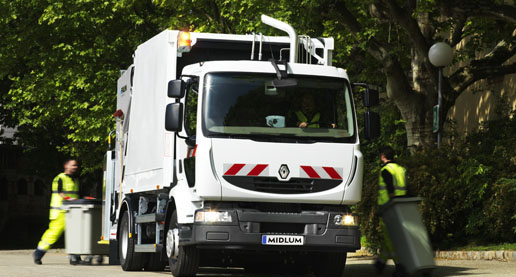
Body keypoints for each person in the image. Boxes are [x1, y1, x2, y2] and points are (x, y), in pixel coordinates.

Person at [33, 159, 81, 265]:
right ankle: (38, 254)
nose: (75, 167)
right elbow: (60, 193)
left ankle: (75, 257)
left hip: (73, 211)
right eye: (73, 165)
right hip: (60, 211)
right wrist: (71, 199)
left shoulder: (76, 179)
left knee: (75, 234)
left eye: (76, 165)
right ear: (66, 166)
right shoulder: (60, 178)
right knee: (53, 234)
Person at [375, 146, 407, 277]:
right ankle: (380, 264)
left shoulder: (385, 170)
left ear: (383, 156)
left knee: (390, 239)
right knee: (389, 238)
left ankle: (400, 266)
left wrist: (385, 208)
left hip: (388, 209)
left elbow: (390, 190)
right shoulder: (401, 169)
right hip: (402, 208)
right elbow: (407, 189)